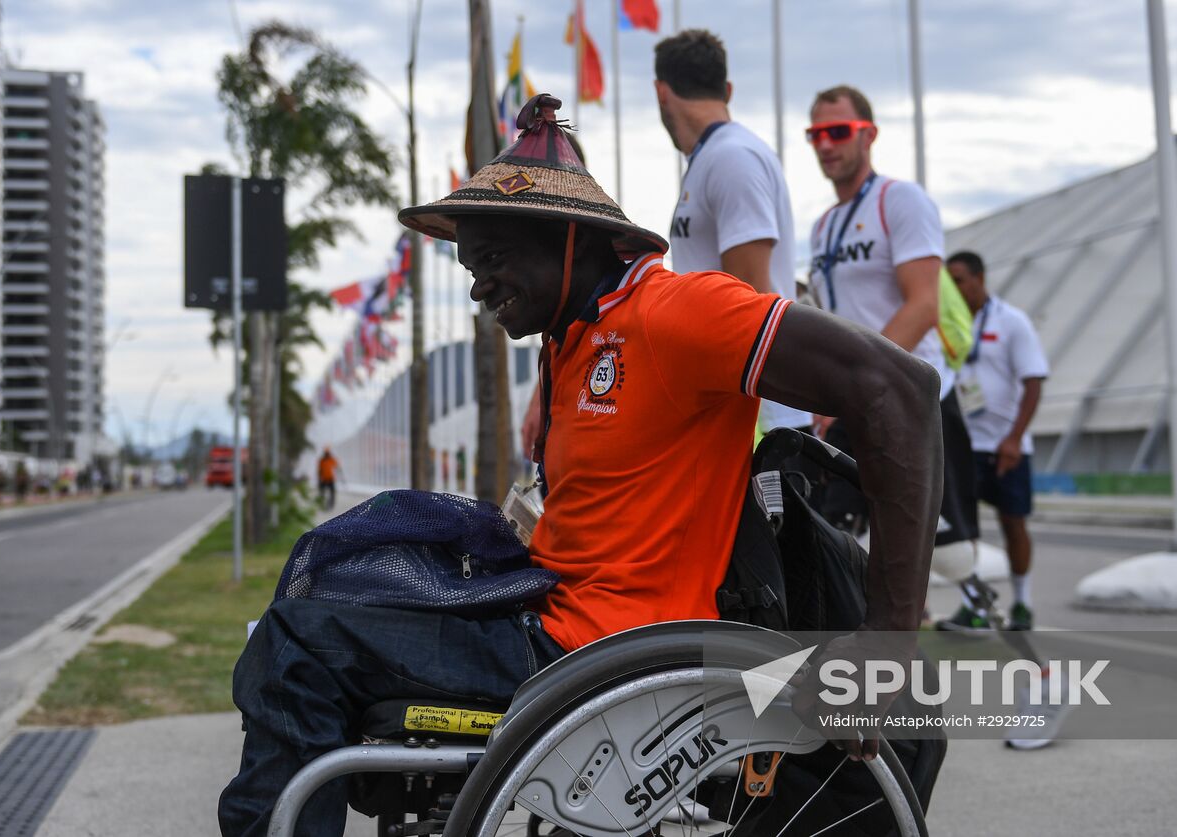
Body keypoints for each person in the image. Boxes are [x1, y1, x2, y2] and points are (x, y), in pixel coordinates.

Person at [219, 94, 943, 837]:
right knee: (337, 595)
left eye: (492, 260)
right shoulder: (571, 342)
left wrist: (886, 644)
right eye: (470, 268)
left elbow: (902, 389)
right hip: (557, 631)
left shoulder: (676, 314)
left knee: (296, 645)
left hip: (601, 659)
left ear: (569, 241)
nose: (478, 287)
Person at [803, 84, 980, 616]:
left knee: (943, 564)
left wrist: (850, 386)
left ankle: (1030, 669)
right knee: (844, 560)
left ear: (869, 134)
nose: (826, 145)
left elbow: (924, 303)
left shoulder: (899, 200)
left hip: (913, 401)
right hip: (854, 408)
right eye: (816, 134)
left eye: (839, 132)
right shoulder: (823, 226)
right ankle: (892, 688)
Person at [652, 29, 812, 438]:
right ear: (727, 89)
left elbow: (748, 304)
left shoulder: (731, 157)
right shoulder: (713, 158)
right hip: (738, 404)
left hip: (758, 417)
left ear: (661, 92)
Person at [946, 251, 1049, 631]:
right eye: (949, 282)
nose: (953, 289)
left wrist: (1014, 438)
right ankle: (974, 607)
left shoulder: (1012, 321)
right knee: (964, 531)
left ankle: (1022, 603)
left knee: (1013, 524)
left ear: (979, 278)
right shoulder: (945, 324)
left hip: (1005, 447)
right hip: (962, 445)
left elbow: (1033, 381)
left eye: (959, 280)